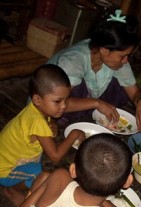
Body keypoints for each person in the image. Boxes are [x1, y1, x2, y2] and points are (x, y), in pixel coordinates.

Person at [47, 9, 141, 131]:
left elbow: (134, 92)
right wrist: (97, 103)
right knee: (78, 86)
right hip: (51, 107)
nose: (126, 60)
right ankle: (64, 120)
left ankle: (90, 112)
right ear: (104, 50)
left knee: (120, 85)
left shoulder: (113, 58)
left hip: (82, 102)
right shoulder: (73, 61)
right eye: (123, 56)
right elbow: (57, 103)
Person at [0, 64, 86, 206]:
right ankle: (14, 190)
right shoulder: (37, 122)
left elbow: (43, 130)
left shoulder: (35, 110)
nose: (64, 106)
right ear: (38, 100)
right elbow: (55, 156)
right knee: (40, 172)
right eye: (58, 101)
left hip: (13, 158)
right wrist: (74, 134)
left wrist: (52, 126)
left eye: (66, 100)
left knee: (42, 169)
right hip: (4, 169)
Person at [20, 133, 133, 207]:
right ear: (128, 181)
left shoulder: (61, 176)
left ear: (73, 170)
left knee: (45, 176)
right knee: (45, 177)